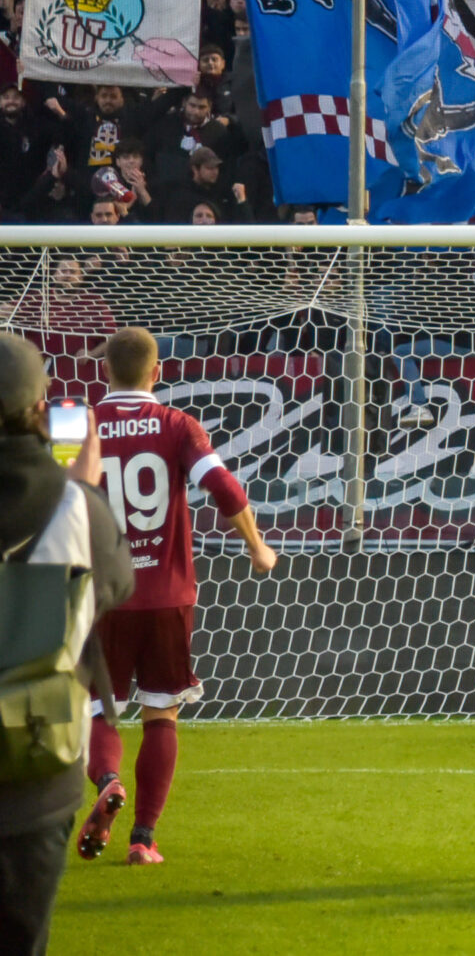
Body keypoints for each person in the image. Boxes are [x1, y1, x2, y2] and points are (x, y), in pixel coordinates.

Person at [78, 326, 275, 865]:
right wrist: (257, 546)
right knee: (161, 713)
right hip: (168, 596)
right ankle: (143, 839)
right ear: (157, 372)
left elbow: (54, 492)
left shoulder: (80, 423)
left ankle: (109, 781)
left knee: (97, 709)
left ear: (105, 371)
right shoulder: (177, 424)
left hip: (102, 594)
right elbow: (225, 487)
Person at [0, 332, 133, 956]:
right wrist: (82, 486)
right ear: (40, 410)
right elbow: (113, 587)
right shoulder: (77, 507)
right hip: (35, 769)